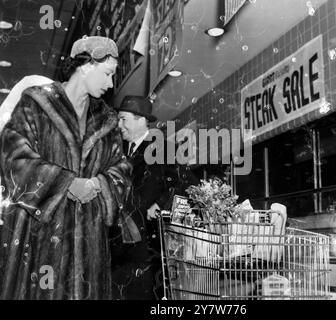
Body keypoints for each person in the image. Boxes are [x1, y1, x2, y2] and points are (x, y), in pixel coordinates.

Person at [0, 36, 130, 300]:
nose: (110, 83)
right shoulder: (36, 105)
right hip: (38, 238)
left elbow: (122, 168)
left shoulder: (107, 121)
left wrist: (97, 185)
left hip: (89, 247)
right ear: (85, 66)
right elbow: (13, 157)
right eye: (107, 73)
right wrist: (66, 183)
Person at [110, 95, 199, 300]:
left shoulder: (164, 148)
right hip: (118, 244)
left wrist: (160, 204)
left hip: (149, 248)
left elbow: (187, 185)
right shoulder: (117, 152)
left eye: (124, 119)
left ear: (141, 119)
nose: (119, 125)